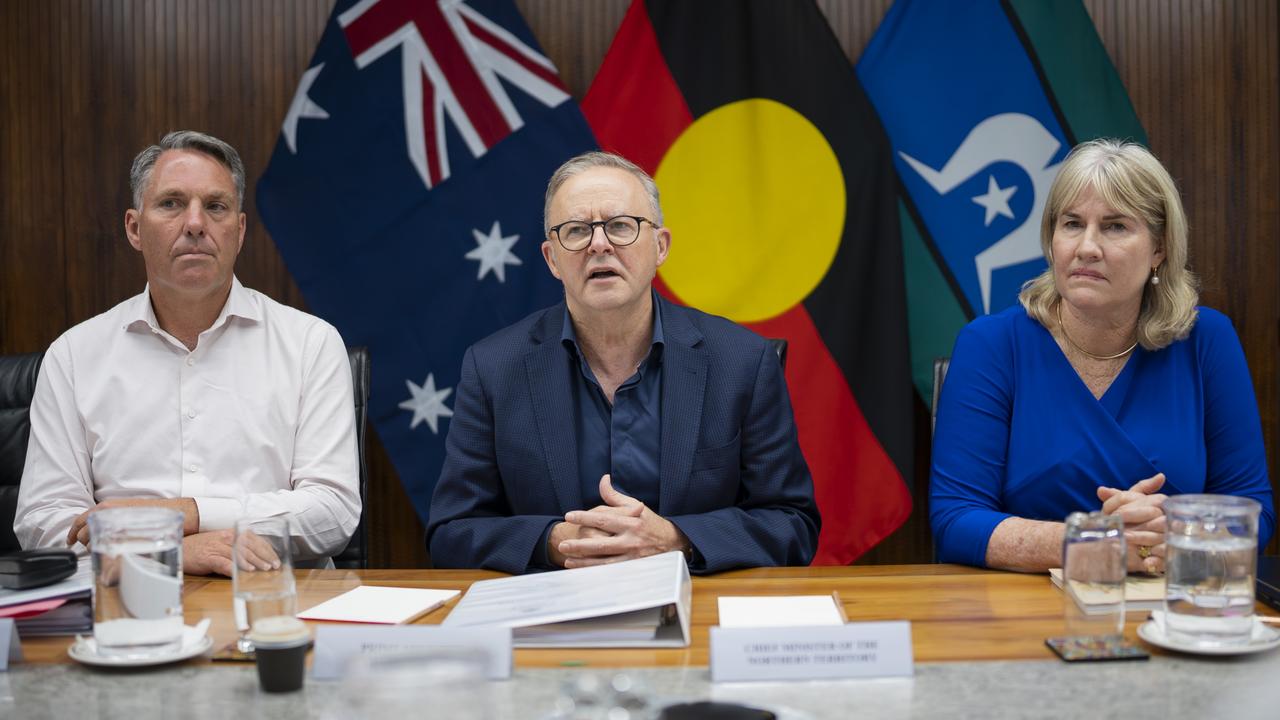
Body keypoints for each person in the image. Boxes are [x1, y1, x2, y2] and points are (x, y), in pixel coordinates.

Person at [426, 151, 820, 574]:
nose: (599, 244)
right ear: (552, 259)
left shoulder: (741, 362)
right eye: (576, 231)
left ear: (660, 246)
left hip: (697, 610)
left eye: (620, 226)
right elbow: (452, 532)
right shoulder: (493, 368)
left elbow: (791, 524)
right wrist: (556, 541)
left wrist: (675, 540)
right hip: (554, 617)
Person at [15, 130, 360, 575]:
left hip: (279, 610)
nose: (195, 224)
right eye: (171, 203)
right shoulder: (73, 355)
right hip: (124, 614)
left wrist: (184, 514)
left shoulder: (311, 343)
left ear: (238, 231)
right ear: (135, 229)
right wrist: (169, 553)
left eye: (215, 206)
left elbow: (333, 513)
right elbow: (42, 523)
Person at [930, 139, 1274, 573]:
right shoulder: (991, 345)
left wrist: (1186, 531)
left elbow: (1254, 511)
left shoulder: (1207, 340)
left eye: (1114, 227)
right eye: (1072, 223)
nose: (1087, 247)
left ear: (1159, 249)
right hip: (1020, 610)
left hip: (1170, 604)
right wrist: (1095, 540)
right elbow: (955, 520)